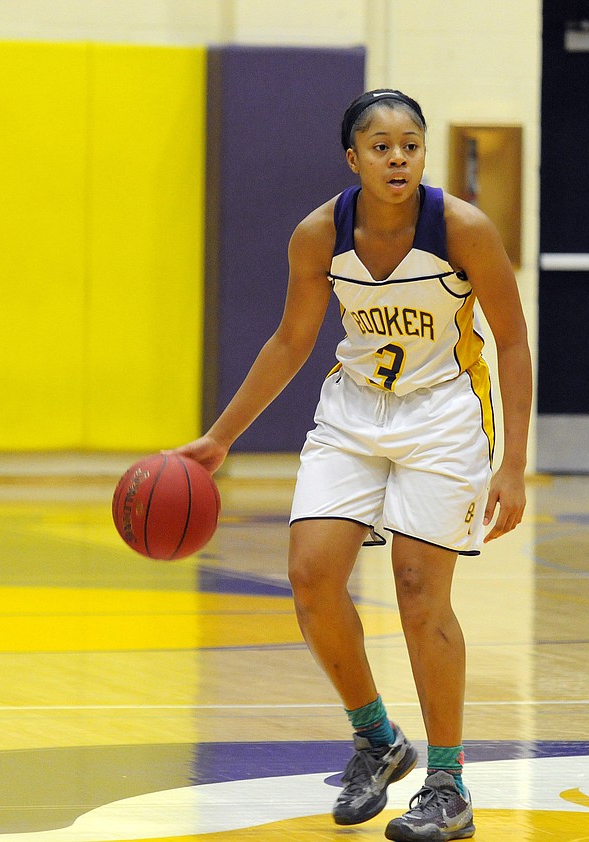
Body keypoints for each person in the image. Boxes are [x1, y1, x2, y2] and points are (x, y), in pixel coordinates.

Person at [176, 89, 532, 842]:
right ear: (353, 158)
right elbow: (289, 342)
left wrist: (514, 466)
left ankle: (447, 782)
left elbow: (513, 341)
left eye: (410, 144)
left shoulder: (462, 228)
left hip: (446, 417)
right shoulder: (319, 235)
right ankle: (377, 738)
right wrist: (220, 438)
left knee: (417, 592)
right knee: (310, 577)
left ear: (423, 154)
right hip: (353, 414)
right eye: (381, 146)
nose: (397, 157)